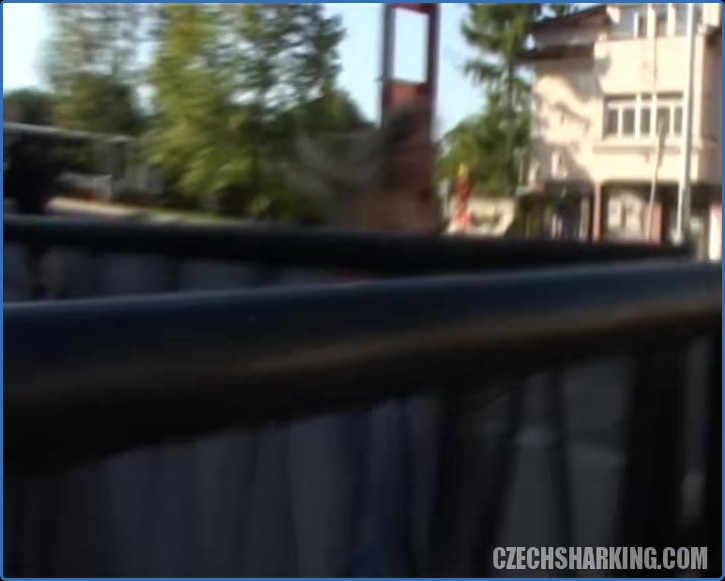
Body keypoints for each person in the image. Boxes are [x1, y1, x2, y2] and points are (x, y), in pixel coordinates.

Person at [289, 99, 441, 235]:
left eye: (427, 149)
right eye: (410, 150)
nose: (421, 159)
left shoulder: (429, 211)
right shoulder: (367, 208)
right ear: (390, 154)